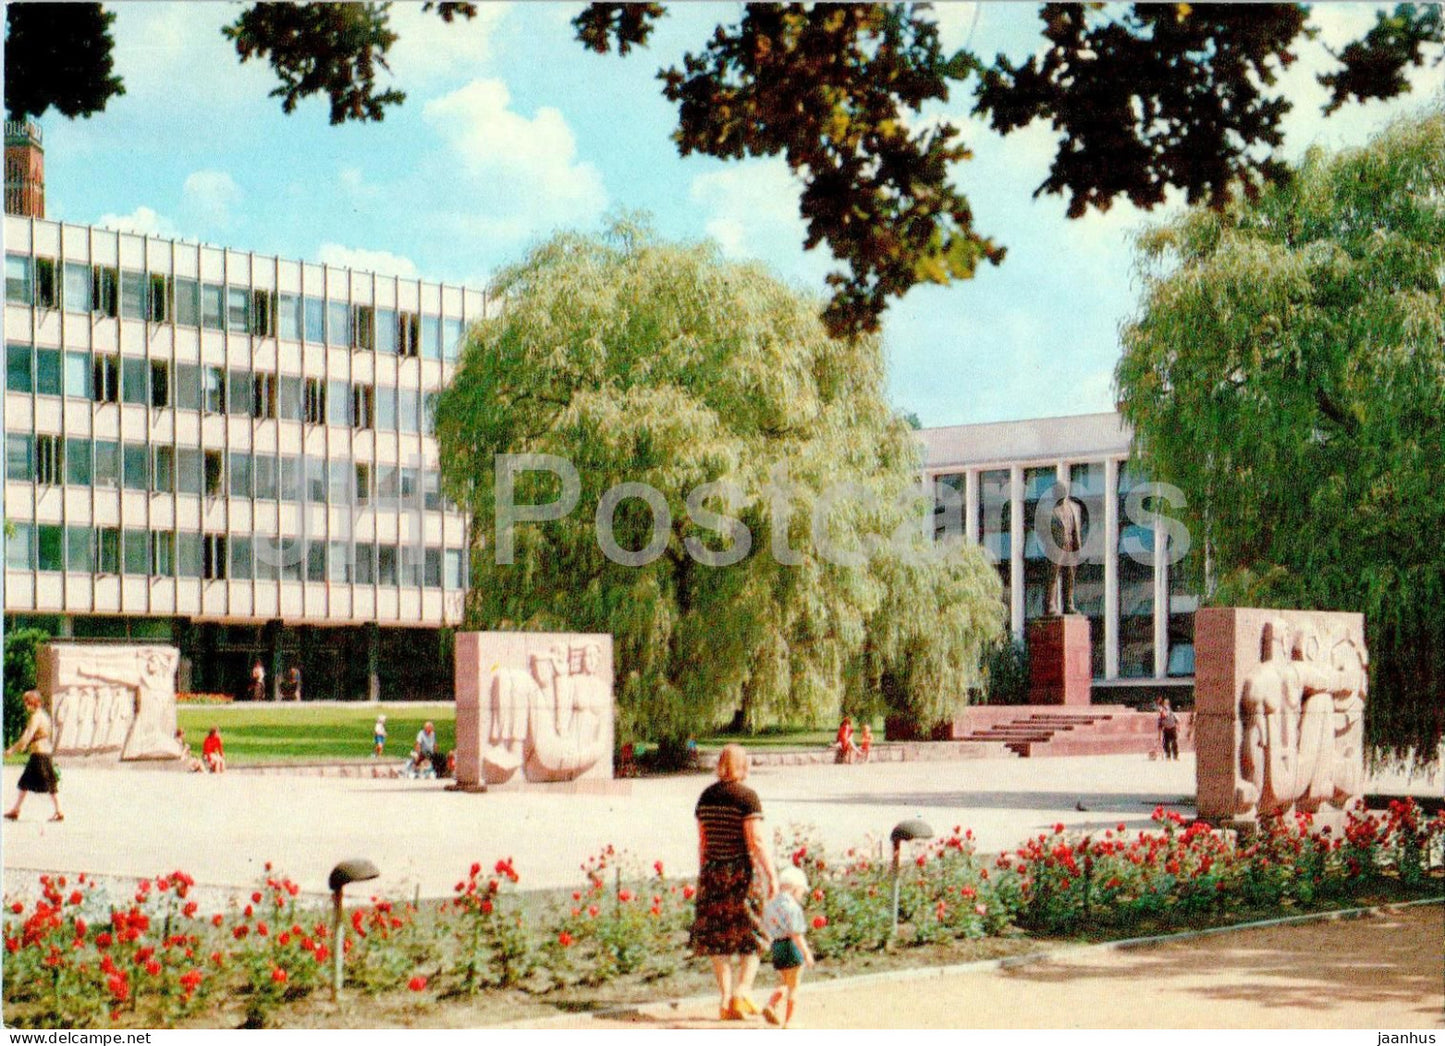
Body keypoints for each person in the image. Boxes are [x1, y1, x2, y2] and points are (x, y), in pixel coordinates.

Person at [689, 743, 778, 1021]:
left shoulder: (706, 797)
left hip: (712, 872)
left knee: (718, 937)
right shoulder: (747, 798)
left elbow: (703, 841)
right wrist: (772, 874)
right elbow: (756, 840)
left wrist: (704, 871)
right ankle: (742, 991)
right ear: (744, 765)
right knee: (754, 932)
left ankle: (725, 1000)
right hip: (741, 873)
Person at [761, 864, 815, 1028]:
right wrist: (806, 953)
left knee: (783, 981)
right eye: (801, 892)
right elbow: (796, 934)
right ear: (795, 888)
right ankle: (789, 1021)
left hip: (777, 945)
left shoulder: (771, 905)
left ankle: (771, 1004)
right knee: (794, 986)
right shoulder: (793, 907)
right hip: (791, 946)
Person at [4, 690, 63, 822]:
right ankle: (16, 810)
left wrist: (11, 750)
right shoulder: (44, 716)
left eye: (27, 703)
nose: (26, 706)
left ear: (34, 703)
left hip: (39, 754)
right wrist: (25, 745)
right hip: (43, 752)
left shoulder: (36, 717)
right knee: (26, 782)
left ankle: (59, 811)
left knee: (48, 784)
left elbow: (27, 735)